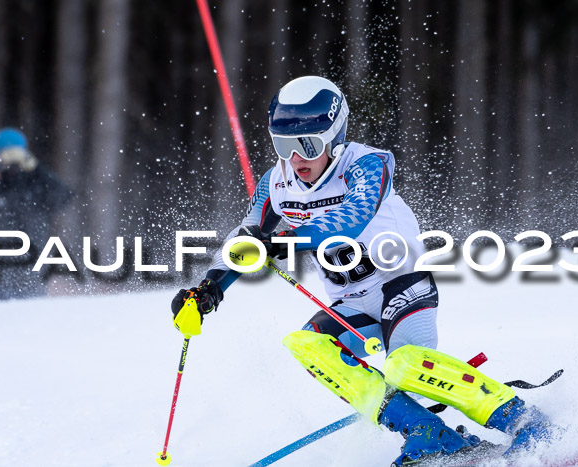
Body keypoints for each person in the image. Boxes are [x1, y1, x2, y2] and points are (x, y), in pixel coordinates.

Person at [171, 76, 553, 465]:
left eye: (308, 144)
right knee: (306, 344)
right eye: (282, 145)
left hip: (402, 285)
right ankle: (428, 434)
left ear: (335, 136)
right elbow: (246, 236)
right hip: (351, 300)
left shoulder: (369, 164)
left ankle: (525, 420)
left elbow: (349, 220)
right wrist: (208, 290)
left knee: (404, 367)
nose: (296, 157)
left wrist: (283, 239)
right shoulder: (276, 182)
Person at [0, 127, 73, 300]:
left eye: (16, 154)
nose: (11, 162)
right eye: (6, 154)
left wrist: (36, 169)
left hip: (30, 276)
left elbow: (64, 197)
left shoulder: (37, 186)